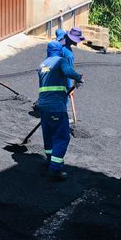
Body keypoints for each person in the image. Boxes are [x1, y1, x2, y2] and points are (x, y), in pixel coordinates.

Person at [37, 40, 84, 181]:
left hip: (43, 105)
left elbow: (53, 82)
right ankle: (55, 169)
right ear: (60, 51)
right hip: (56, 106)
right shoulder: (61, 61)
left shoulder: (42, 65)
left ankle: (50, 160)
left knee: (49, 134)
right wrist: (78, 77)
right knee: (62, 137)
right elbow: (68, 71)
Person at [56, 27, 85, 119]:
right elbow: (69, 72)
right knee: (64, 94)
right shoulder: (69, 55)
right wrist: (70, 89)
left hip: (51, 66)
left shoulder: (61, 37)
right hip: (61, 73)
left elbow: (58, 30)